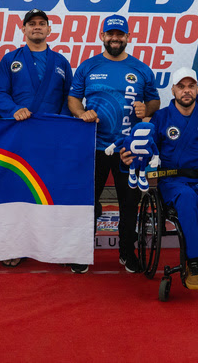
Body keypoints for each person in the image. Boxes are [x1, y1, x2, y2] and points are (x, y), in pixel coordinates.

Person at [69, 14, 160, 274]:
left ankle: (127, 253)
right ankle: (81, 252)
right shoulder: (88, 67)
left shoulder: (141, 69)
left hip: (128, 150)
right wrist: (81, 113)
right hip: (94, 147)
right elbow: (73, 99)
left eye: (120, 34)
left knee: (129, 204)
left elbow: (155, 101)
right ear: (102, 36)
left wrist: (146, 108)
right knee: (87, 203)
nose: (115, 38)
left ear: (128, 37)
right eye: (110, 34)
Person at [124, 68, 198, 289]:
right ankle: (193, 261)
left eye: (191, 86)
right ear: (172, 90)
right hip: (172, 181)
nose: (186, 91)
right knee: (187, 197)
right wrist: (132, 155)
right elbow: (147, 150)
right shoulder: (161, 117)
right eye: (181, 87)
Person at [0, 8, 73, 269]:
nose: (37, 27)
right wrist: (14, 109)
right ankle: (15, 245)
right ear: (23, 29)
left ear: (49, 29)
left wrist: (60, 124)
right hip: (19, 137)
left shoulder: (61, 62)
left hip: (50, 138)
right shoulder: (10, 60)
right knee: (18, 188)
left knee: (50, 190)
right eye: (32, 23)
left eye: (41, 23)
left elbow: (69, 98)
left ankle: (53, 246)